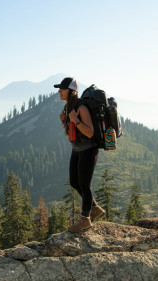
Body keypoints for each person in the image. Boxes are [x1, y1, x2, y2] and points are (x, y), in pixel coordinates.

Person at [54, 77, 105, 233]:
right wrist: (65, 121)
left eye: (62, 89)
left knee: (84, 184)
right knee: (75, 182)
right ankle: (95, 208)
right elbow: (74, 131)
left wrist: (75, 120)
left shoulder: (81, 107)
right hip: (77, 148)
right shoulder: (69, 107)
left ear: (70, 91)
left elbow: (89, 132)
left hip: (89, 149)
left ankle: (85, 219)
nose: (59, 91)